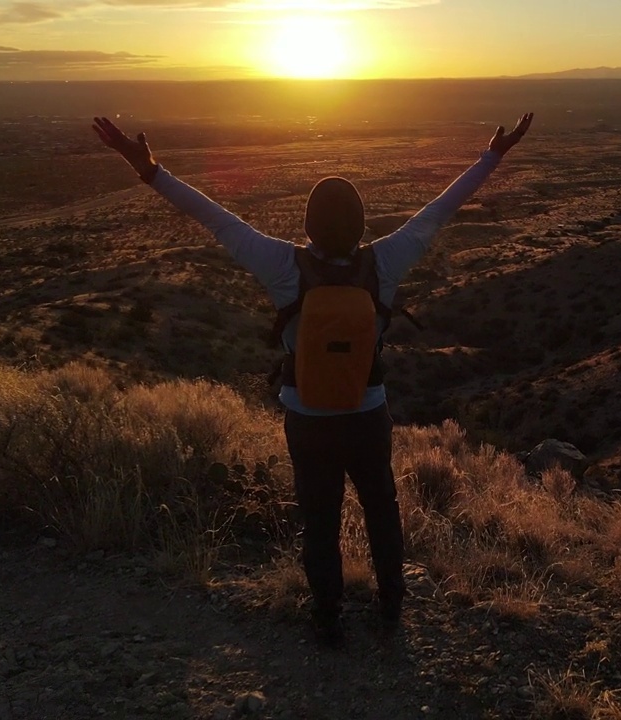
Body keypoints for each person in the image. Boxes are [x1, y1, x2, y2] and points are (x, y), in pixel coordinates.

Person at [92, 111, 534, 647]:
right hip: (368, 409)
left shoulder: (284, 267)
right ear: (361, 223)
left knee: (320, 519)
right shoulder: (385, 261)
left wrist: (150, 169)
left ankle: (328, 618)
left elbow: (215, 218)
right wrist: (493, 155)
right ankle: (390, 605)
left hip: (307, 416)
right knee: (382, 507)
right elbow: (440, 210)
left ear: (308, 225)